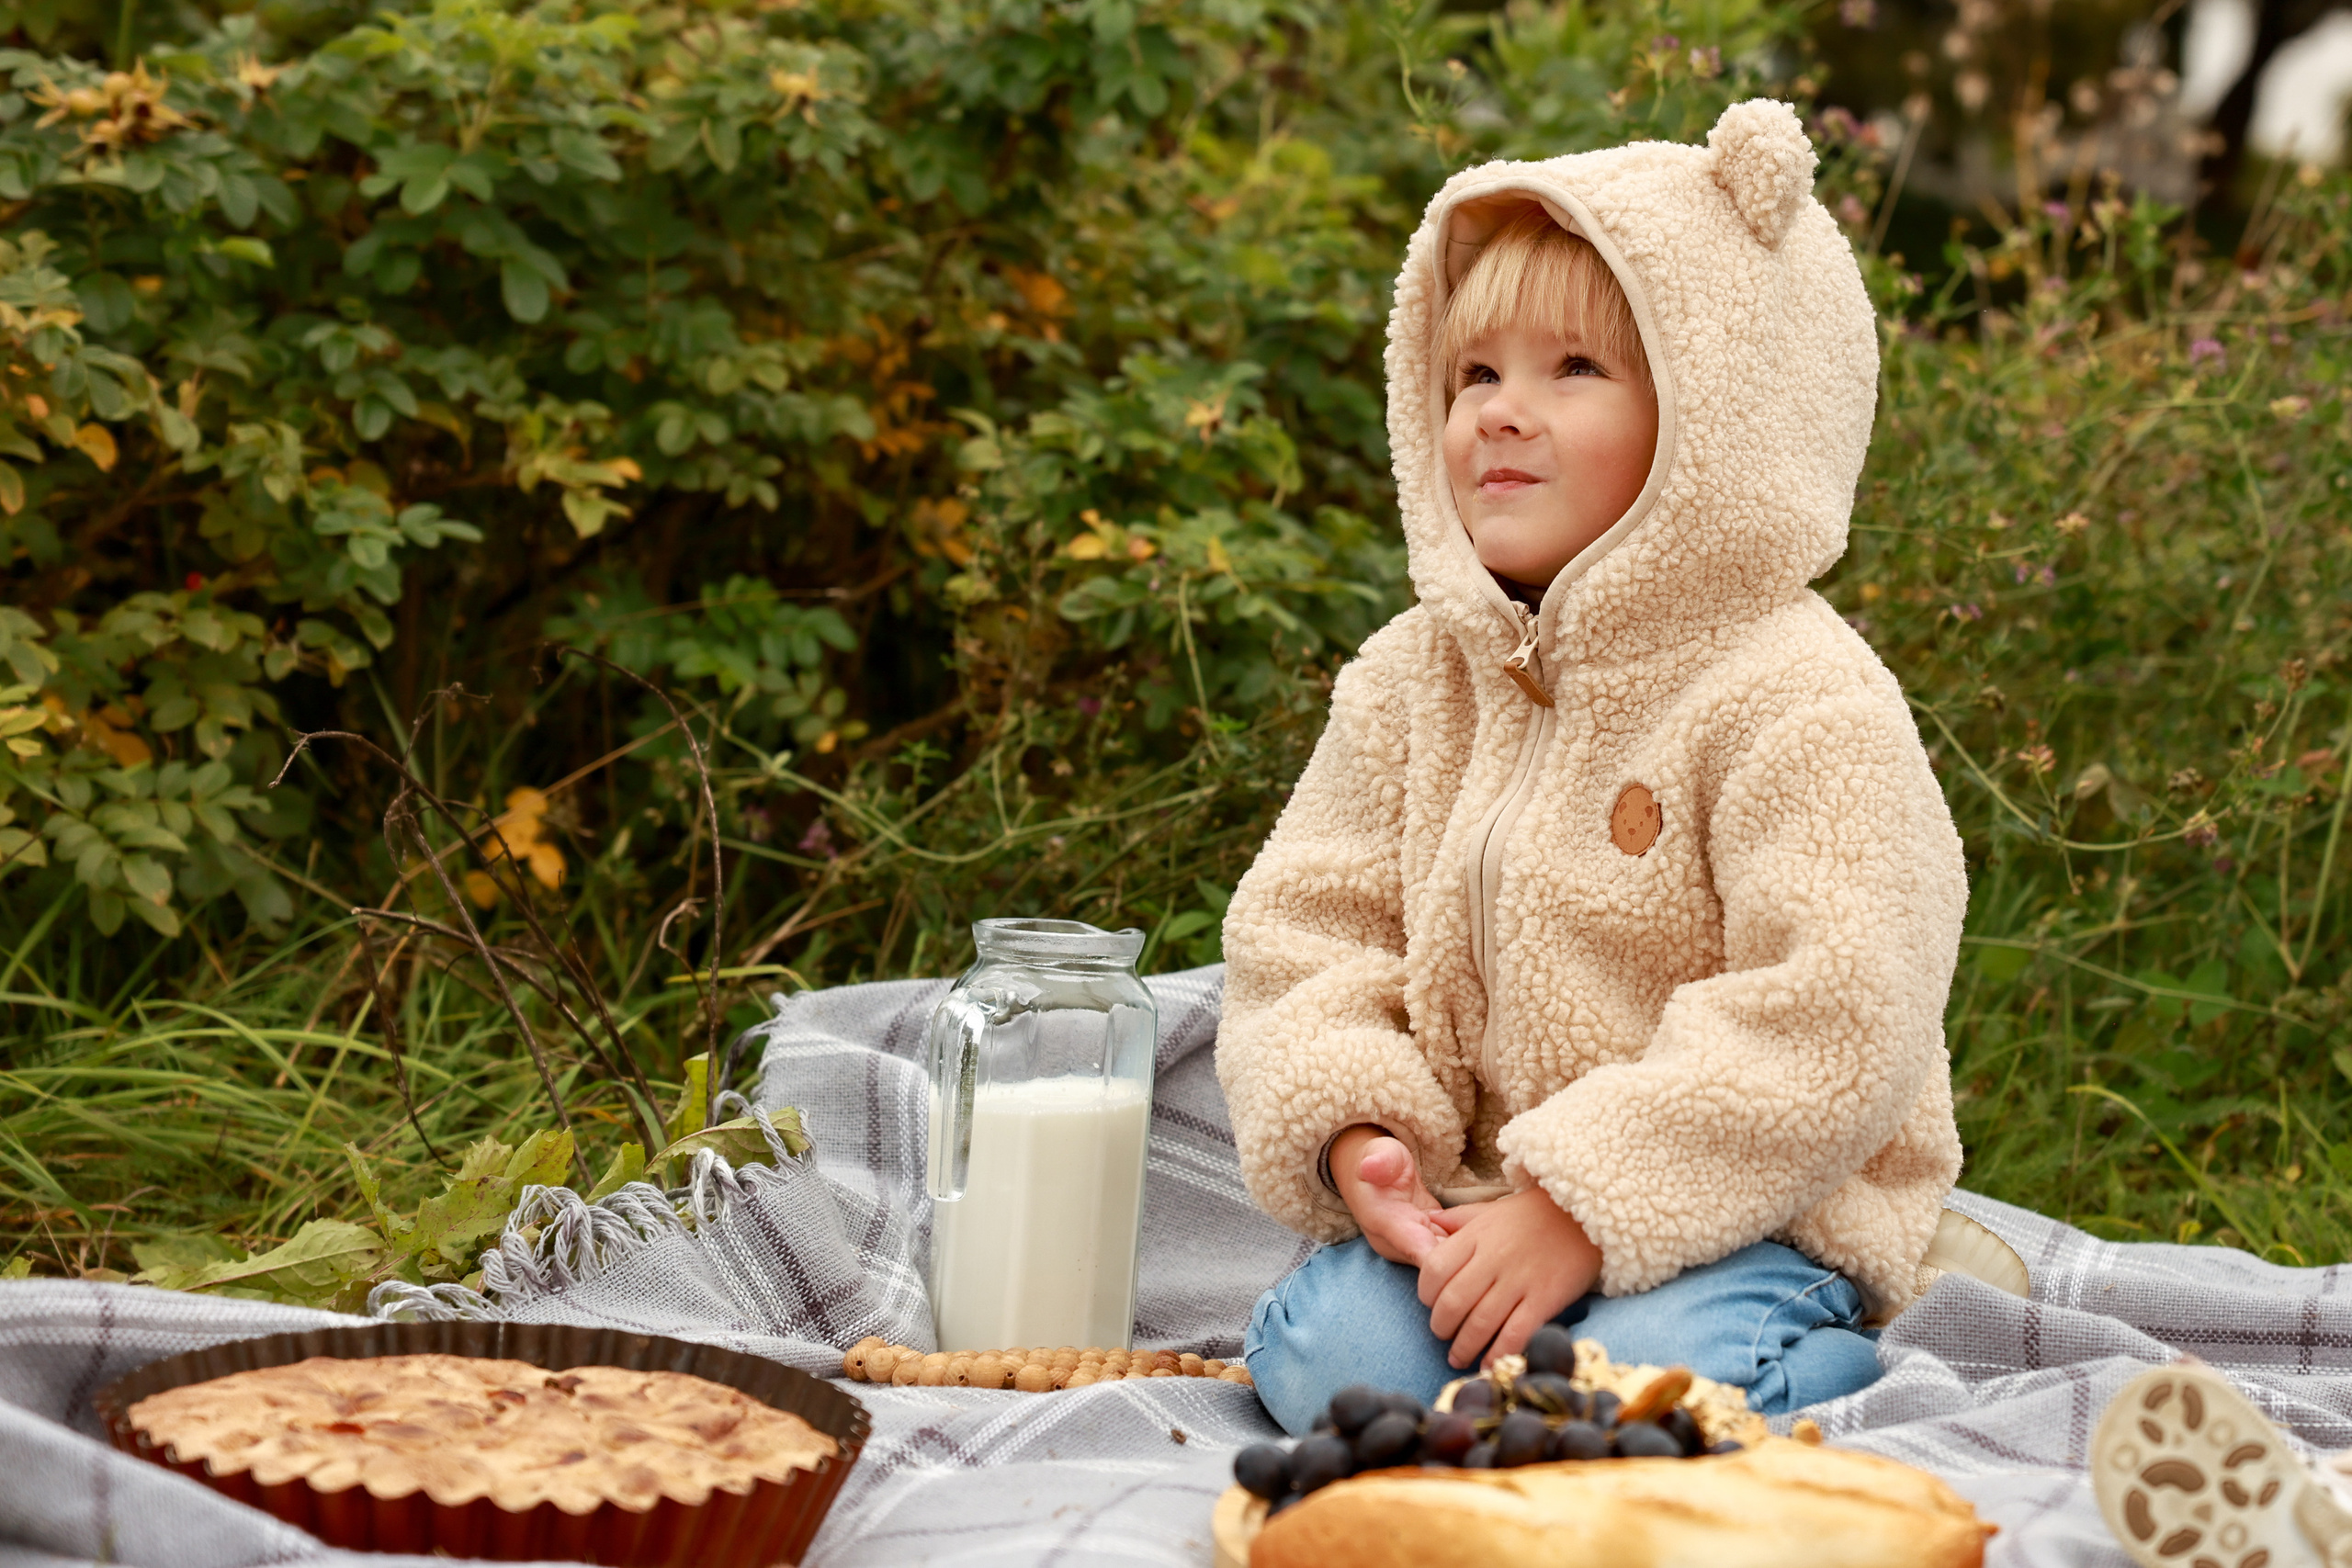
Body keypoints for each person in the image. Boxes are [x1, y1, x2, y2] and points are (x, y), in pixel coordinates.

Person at [1216, 98, 1970, 1437]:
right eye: (1473, 377)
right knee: (1334, 1355)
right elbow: (1303, 932)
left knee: (1648, 1384)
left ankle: (1819, 1346)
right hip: (1484, 1212)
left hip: (1752, 1216)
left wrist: (1587, 1201)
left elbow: (1842, 1007)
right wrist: (1360, 1137)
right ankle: (1519, 1409)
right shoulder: (1413, 677)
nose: (1504, 415)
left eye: (1573, 369)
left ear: (1716, 407)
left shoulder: (1797, 696)